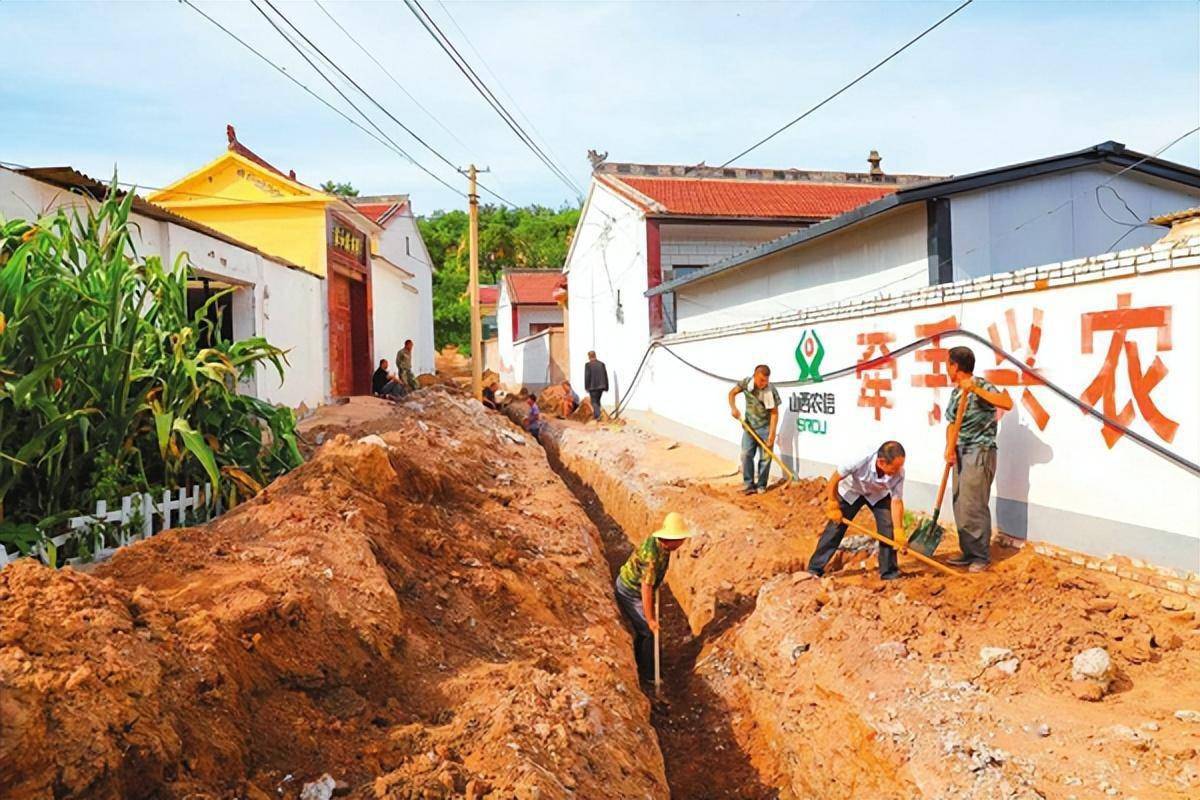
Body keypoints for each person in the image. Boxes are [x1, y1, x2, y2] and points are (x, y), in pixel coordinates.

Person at [944, 346, 1013, 573]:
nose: (947, 368)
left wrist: (974, 388)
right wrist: (949, 448)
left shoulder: (981, 385)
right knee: (959, 502)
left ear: (955, 366)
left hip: (979, 450)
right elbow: (952, 423)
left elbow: (1005, 403)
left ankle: (981, 556)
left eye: (948, 364)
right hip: (960, 451)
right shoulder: (955, 393)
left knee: (974, 503)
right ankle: (968, 551)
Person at [808, 441, 908, 581]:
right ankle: (815, 568)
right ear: (881, 462)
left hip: (877, 495)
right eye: (894, 468)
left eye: (900, 467)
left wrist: (899, 530)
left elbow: (896, 502)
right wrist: (833, 503)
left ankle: (889, 572)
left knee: (888, 528)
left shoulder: (899, 473)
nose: (897, 471)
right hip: (852, 490)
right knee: (835, 527)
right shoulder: (859, 459)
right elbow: (833, 480)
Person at [614, 511, 693, 685]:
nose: (683, 542)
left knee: (646, 630)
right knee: (648, 631)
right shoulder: (651, 556)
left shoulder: (663, 546)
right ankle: (648, 674)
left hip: (638, 588)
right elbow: (646, 589)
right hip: (629, 590)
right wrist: (650, 619)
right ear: (671, 540)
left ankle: (642, 659)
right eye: (680, 539)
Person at [727, 364, 781, 495]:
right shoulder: (746, 383)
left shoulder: (770, 390)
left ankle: (761, 485)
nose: (764, 383)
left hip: (765, 428)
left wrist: (772, 434)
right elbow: (732, 393)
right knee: (746, 455)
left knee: (766, 458)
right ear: (755, 376)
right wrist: (733, 408)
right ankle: (749, 484)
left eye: (766, 380)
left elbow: (774, 413)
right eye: (762, 380)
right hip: (749, 426)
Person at [583, 351, 608, 421]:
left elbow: (587, 376)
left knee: (594, 402)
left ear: (589, 356)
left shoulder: (588, 365)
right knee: (598, 401)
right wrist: (606, 387)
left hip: (592, 387)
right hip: (601, 387)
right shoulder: (601, 364)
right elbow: (605, 376)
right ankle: (596, 415)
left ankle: (598, 416)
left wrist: (586, 387)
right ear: (595, 355)